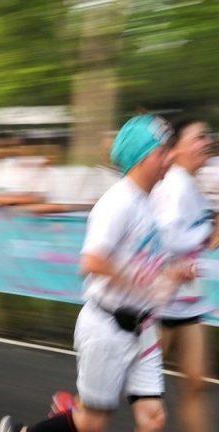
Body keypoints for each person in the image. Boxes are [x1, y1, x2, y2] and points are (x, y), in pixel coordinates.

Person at [0, 114, 196, 432]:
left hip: (142, 327)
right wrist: (138, 282)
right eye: (162, 152)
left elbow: (143, 261)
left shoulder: (149, 202)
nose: (169, 158)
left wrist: (174, 273)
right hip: (107, 328)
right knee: (92, 423)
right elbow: (91, 261)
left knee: (154, 418)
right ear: (143, 158)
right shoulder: (118, 202)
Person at [150, 117, 217, 432]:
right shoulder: (174, 187)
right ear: (174, 149)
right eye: (199, 137)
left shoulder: (191, 184)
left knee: (195, 384)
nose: (207, 142)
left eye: (208, 137)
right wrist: (206, 233)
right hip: (159, 304)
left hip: (188, 303)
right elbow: (165, 239)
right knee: (122, 388)